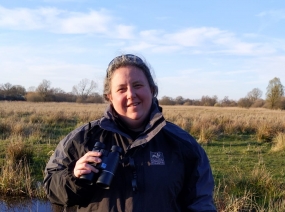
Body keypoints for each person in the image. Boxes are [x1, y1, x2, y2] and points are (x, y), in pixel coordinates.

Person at [43, 54, 217, 212]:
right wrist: (74, 178)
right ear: (109, 97)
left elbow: (201, 203)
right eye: (121, 89)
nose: (131, 94)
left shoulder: (182, 144)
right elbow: (51, 188)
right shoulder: (80, 140)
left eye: (137, 85)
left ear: (152, 89)